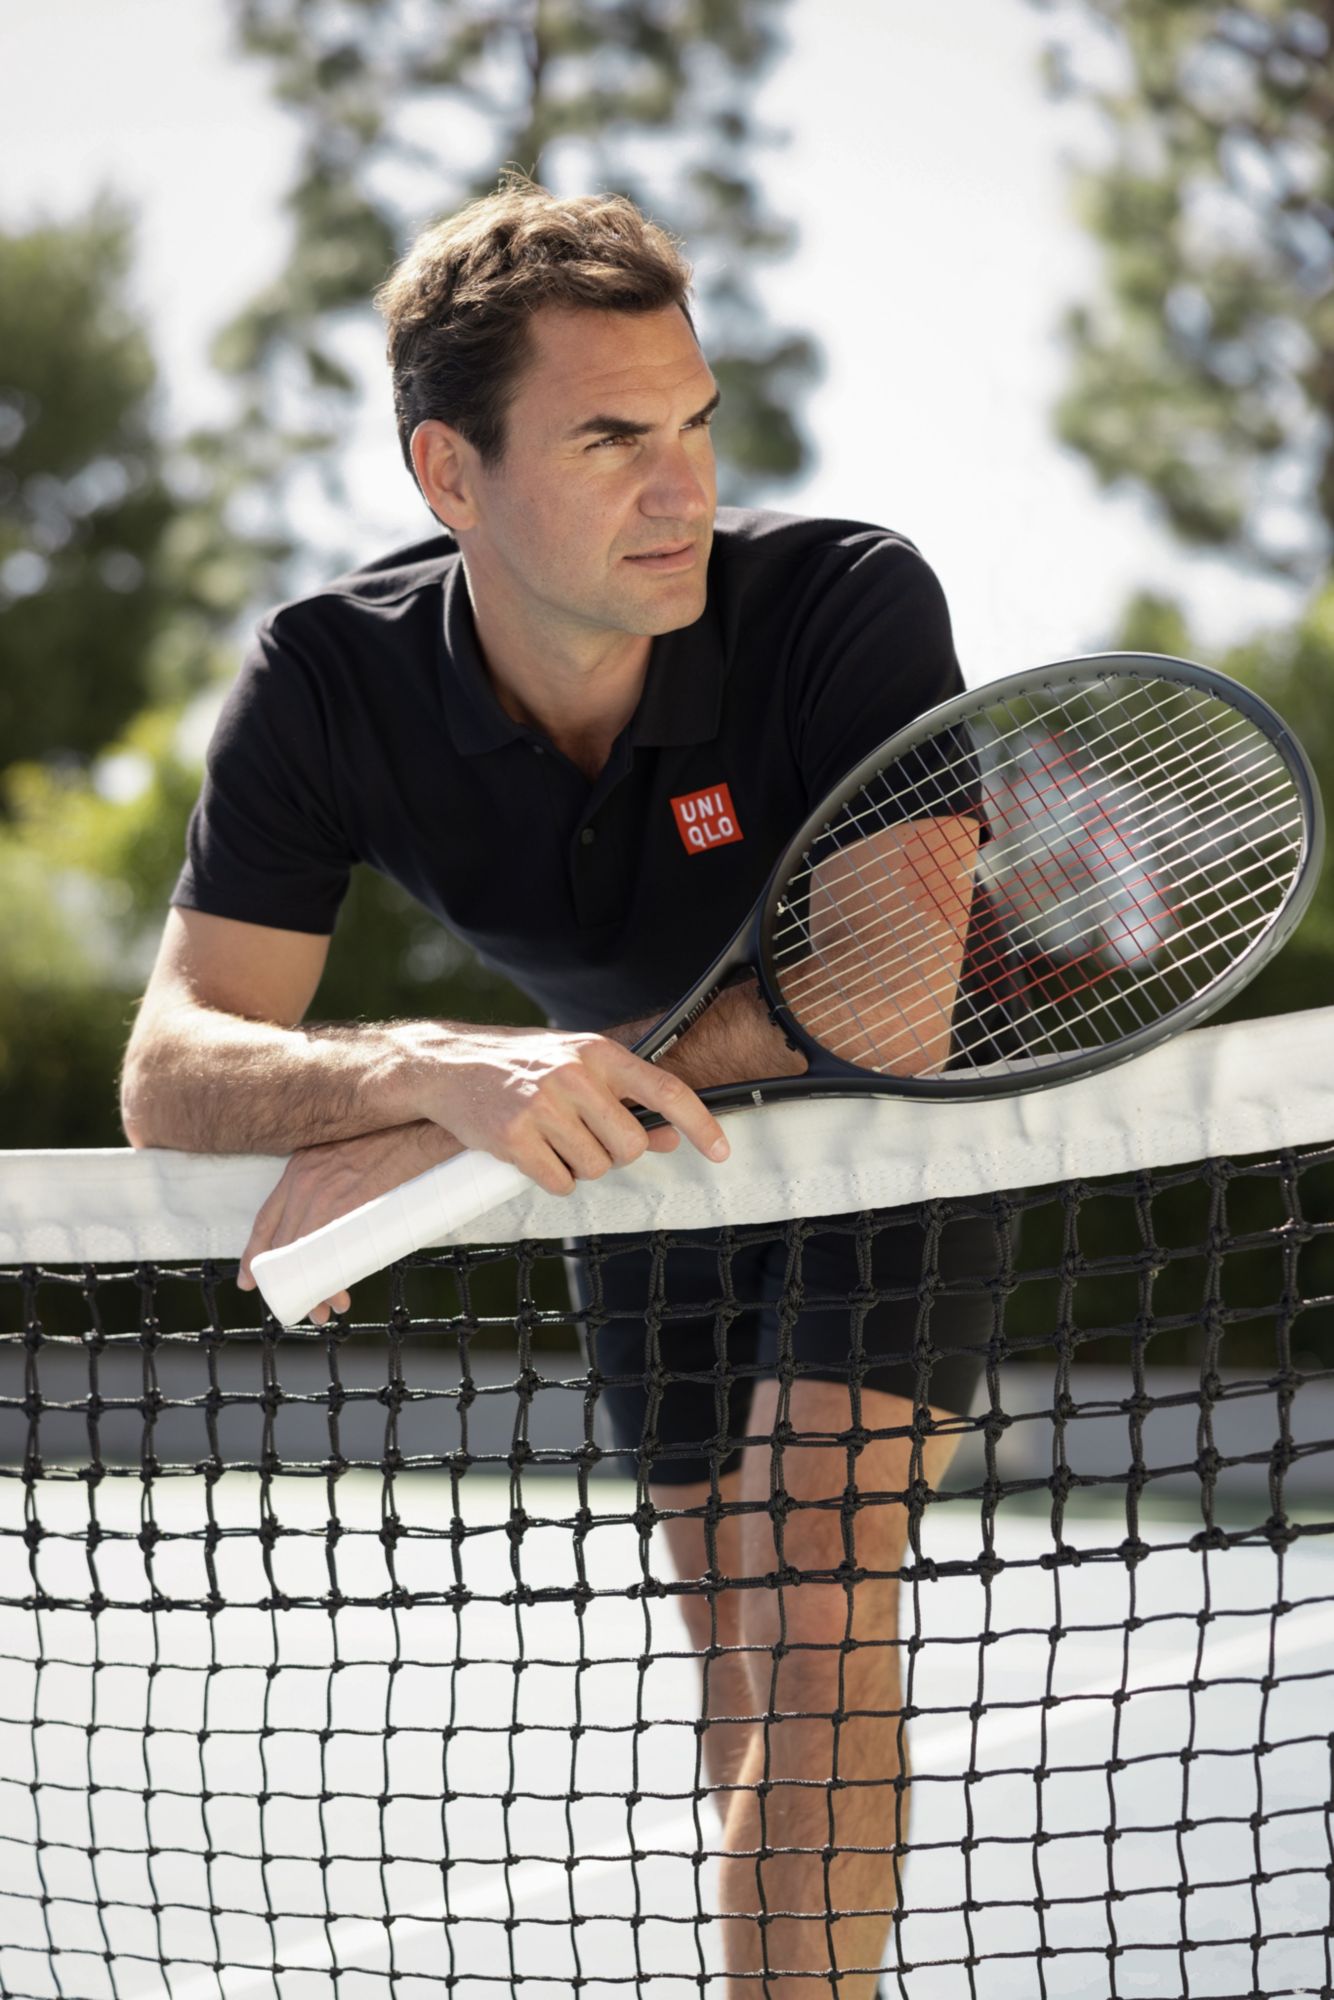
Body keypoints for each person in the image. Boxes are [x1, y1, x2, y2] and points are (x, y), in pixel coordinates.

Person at [120, 174, 998, 1997]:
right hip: (624, 1181)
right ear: (450, 475)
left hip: (890, 1134)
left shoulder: (845, 601)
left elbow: (886, 1001)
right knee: (731, 1630)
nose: (680, 490)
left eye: (694, 426)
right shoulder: (326, 680)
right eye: (610, 440)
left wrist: (489, 1113)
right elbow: (174, 1065)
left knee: (814, 1579)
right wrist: (426, 1078)